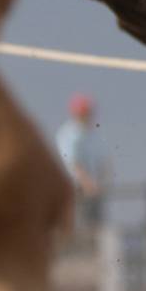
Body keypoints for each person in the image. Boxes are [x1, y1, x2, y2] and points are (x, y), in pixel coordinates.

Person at [53, 93, 111, 229]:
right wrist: (87, 183)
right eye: (84, 112)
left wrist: (102, 181)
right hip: (76, 189)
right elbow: (72, 163)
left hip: (94, 189)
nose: (87, 116)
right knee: (80, 225)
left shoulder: (93, 133)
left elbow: (103, 160)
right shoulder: (68, 134)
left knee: (96, 225)